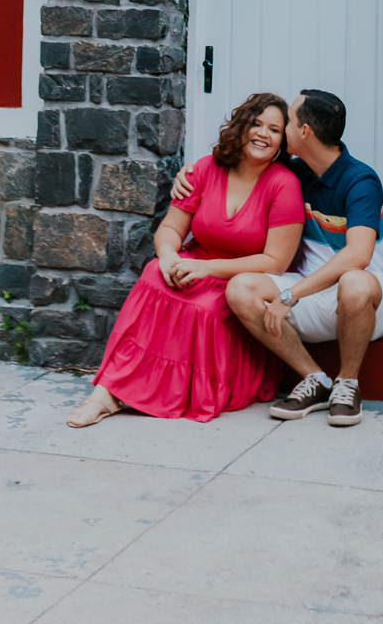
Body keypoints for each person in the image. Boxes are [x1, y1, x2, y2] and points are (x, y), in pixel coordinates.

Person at [65, 92, 304, 427]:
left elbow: (275, 262)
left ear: (283, 141)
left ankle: (136, 393)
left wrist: (205, 268)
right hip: (194, 262)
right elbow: (171, 229)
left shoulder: (284, 184)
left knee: (202, 308)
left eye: (274, 130)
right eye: (256, 123)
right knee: (151, 276)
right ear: (242, 125)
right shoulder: (206, 169)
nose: (263, 133)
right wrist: (166, 257)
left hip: (242, 279)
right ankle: (106, 393)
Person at [174, 88, 383, 428]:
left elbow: (358, 255)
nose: (280, 129)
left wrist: (289, 295)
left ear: (305, 132)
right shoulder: (293, 173)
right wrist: (189, 173)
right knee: (240, 289)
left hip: (371, 299)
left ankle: (347, 384)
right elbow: (236, 167)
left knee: (353, 282)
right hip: (311, 294)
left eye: (288, 122)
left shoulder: (360, 181)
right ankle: (317, 380)